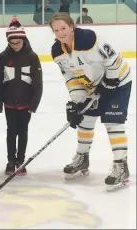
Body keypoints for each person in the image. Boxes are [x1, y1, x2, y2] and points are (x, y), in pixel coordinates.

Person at [49, 12, 131, 191]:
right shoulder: (57, 52)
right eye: (56, 30)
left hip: (118, 81)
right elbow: (71, 78)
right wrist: (77, 102)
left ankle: (121, 165)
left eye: (63, 28)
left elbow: (113, 59)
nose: (61, 33)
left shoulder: (89, 39)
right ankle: (82, 158)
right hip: (93, 86)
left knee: (112, 120)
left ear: (71, 26)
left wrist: (109, 81)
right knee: (85, 119)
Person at [0, 17, 43, 175]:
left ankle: (21, 160)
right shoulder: (3, 57)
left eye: (18, 43)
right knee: (11, 131)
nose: (15, 46)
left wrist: (33, 105)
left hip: (26, 103)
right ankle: (11, 161)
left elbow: (38, 84)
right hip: (9, 103)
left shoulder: (32, 57)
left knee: (23, 131)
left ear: (23, 39)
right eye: (11, 43)